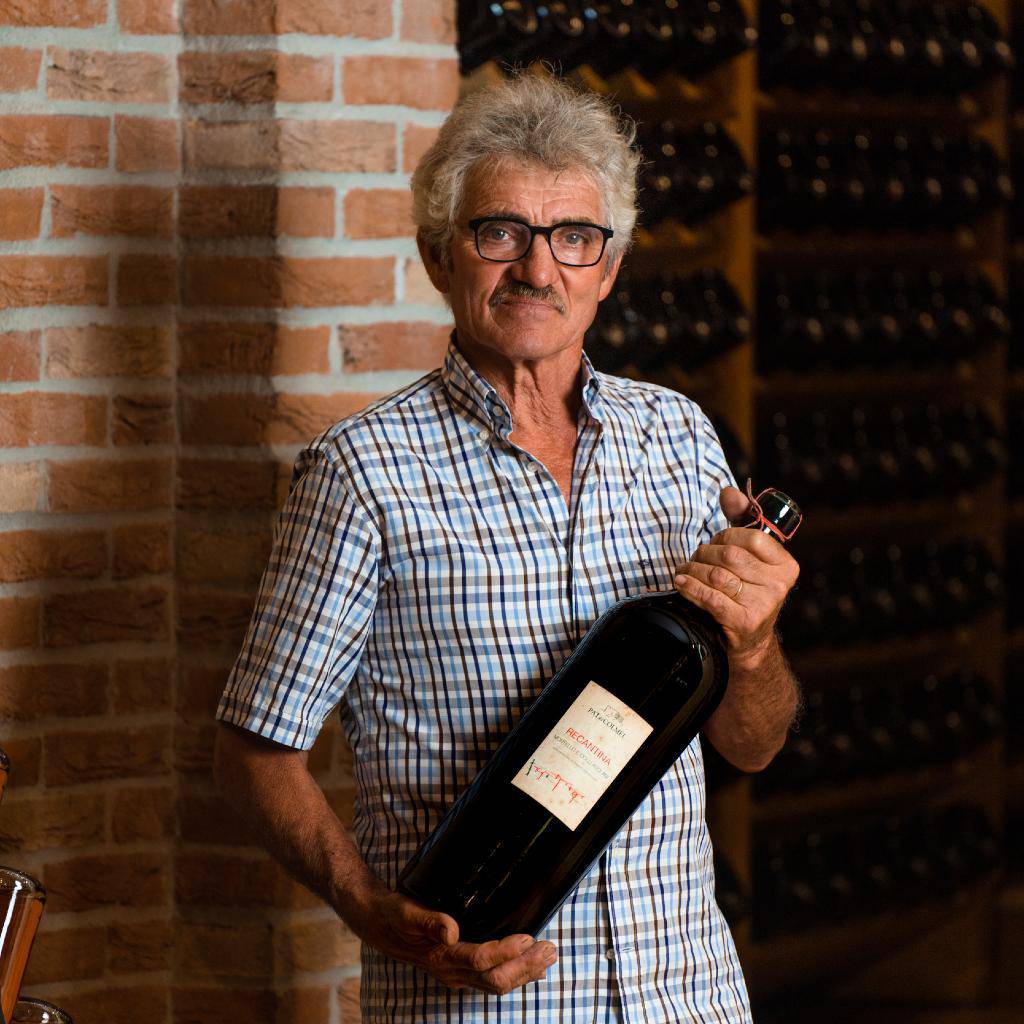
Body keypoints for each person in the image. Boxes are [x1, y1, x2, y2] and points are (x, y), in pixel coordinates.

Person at [214, 73, 800, 1024]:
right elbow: (252, 752)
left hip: (685, 994)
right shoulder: (362, 472)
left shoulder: (679, 436)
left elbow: (752, 745)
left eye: (574, 238)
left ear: (609, 268)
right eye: (501, 233)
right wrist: (367, 907)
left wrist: (757, 644)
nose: (539, 268)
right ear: (436, 256)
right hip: (480, 1005)